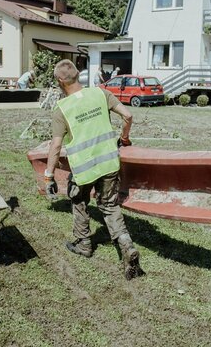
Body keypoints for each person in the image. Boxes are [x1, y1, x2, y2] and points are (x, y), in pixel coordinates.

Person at [44, 59, 145, 280]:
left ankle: (83, 243)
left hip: (83, 169)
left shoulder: (61, 109)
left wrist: (49, 175)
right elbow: (128, 115)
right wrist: (124, 138)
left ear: (60, 81)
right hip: (109, 163)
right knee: (109, 206)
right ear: (78, 74)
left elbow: (56, 145)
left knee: (79, 201)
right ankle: (126, 245)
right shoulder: (101, 93)